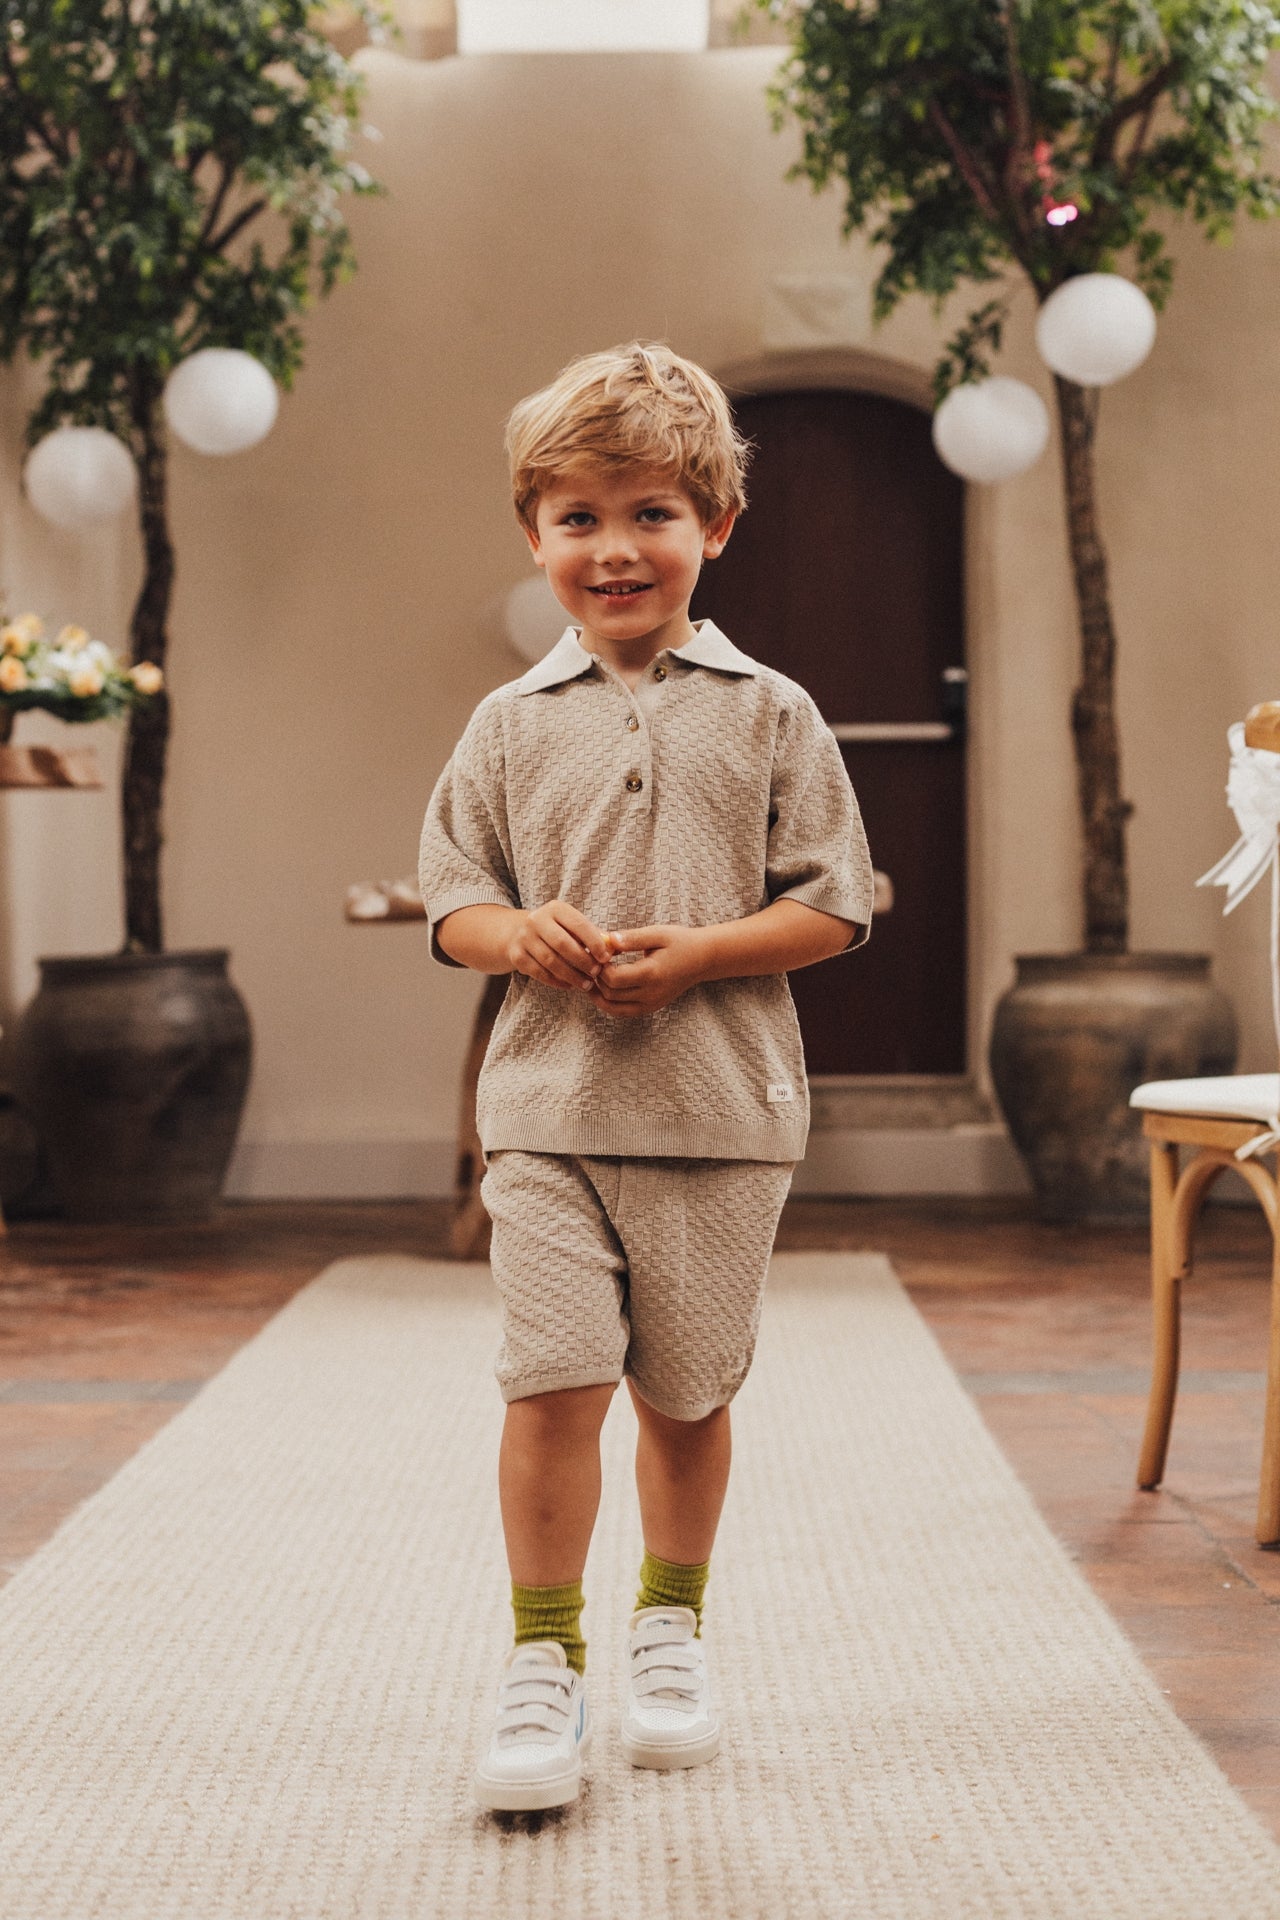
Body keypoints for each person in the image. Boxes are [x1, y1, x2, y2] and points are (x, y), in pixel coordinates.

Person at [418, 342, 873, 1813]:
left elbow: (836, 905)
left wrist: (705, 955)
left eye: (652, 513)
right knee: (551, 1386)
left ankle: (669, 1631)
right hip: (544, 1112)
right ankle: (542, 1659)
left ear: (715, 525)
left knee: (685, 1397)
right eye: (580, 518)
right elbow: (454, 900)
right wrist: (517, 936)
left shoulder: (775, 713)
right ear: (534, 536)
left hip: (722, 1118)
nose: (615, 548)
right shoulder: (505, 726)